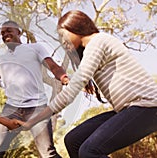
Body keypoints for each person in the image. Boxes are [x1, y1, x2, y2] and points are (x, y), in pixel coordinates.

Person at [18, 10, 157, 158]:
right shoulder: (92, 48)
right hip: (128, 108)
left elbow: (71, 92)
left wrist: (34, 120)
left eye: (63, 35)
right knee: (73, 140)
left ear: (75, 26)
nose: (63, 41)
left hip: (147, 106)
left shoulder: (98, 41)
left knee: (89, 151)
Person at [0, 20, 69, 158]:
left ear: (19, 31)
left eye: (9, 30)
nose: (5, 34)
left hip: (37, 108)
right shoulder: (0, 60)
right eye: (2, 33)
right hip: (11, 109)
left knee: (48, 153)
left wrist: (64, 77)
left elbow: (53, 66)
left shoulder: (35, 48)